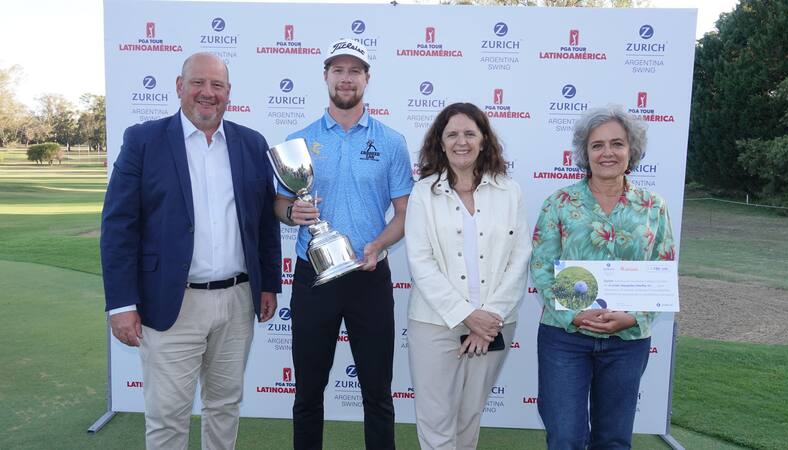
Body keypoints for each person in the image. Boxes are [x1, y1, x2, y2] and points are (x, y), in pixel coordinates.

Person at [100, 52, 282, 450]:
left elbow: (264, 224)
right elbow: (118, 227)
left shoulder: (252, 144)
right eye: (198, 82)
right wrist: (121, 304)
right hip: (171, 303)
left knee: (225, 406)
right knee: (167, 415)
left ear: (229, 92)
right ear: (180, 86)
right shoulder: (143, 141)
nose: (207, 92)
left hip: (238, 300)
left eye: (217, 85)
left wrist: (269, 283)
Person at [273, 38, 413, 450]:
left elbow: (404, 213)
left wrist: (377, 246)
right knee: (308, 391)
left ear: (367, 78)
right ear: (326, 77)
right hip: (313, 275)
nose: (346, 78)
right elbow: (280, 202)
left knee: (378, 392)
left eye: (354, 71)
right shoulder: (299, 140)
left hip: (369, 274)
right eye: (338, 70)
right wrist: (291, 212)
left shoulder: (391, 141)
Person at [530, 106, 676, 449]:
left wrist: (634, 317)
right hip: (565, 337)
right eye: (597, 145)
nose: (607, 152)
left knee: (613, 440)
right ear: (585, 152)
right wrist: (574, 314)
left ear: (631, 150)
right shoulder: (559, 203)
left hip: (627, 341)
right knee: (565, 437)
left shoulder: (653, 206)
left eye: (617, 144)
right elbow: (541, 266)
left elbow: (663, 269)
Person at [403, 102, 531, 450]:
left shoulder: (510, 191)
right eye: (452, 134)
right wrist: (466, 315)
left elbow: (520, 257)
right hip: (435, 324)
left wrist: (489, 316)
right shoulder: (423, 193)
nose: (462, 142)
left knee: (469, 417)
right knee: (436, 421)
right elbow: (421, 262)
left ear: (484, 140)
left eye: (470, 134)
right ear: (440, 142)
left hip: (493, 324)